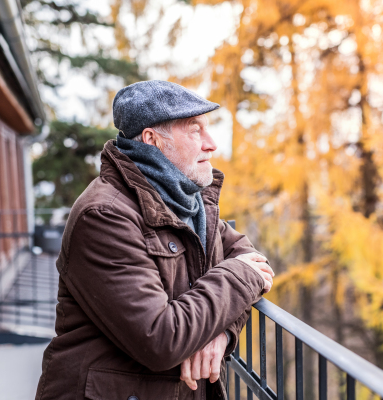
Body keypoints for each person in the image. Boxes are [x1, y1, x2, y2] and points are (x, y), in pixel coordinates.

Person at [35, 80, 274, 400]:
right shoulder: (105, 216)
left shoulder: (187, 202)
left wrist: (221, 333)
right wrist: (240, 277)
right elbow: (161, 339)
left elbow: (247, 257)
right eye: (194, 130)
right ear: (152, 140)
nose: (211, 143)